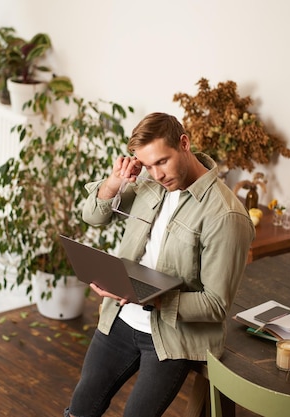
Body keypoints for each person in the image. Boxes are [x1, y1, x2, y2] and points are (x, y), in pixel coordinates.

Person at [64, 112, 255, 417]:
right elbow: (94, 216)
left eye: (162, 161)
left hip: (171, 338)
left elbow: (217, 305)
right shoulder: (149, 186)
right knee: (79, 411)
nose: (156, 174)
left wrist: (146, 294)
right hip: (120, 320)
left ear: (184, 143)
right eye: (148, 165)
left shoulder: (226, 216)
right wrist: (115, 181)